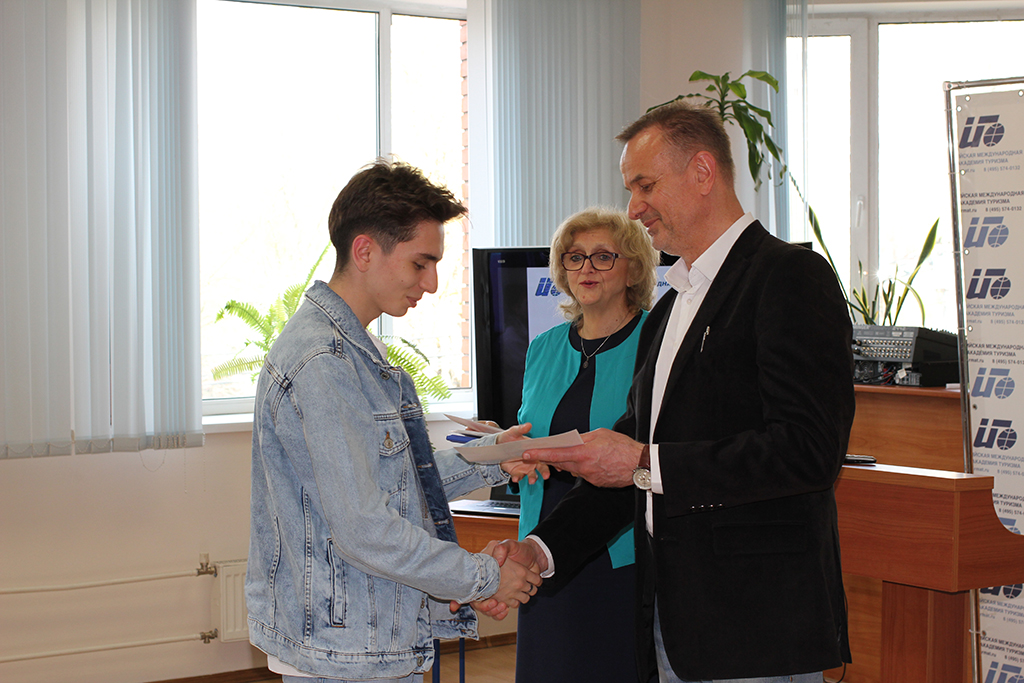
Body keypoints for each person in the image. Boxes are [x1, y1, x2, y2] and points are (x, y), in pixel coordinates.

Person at [483, 100, 856, 682]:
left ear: (702, 172)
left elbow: (808, 451)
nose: (635, 207)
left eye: (646, 185)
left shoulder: (788, 277)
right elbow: (627, 464)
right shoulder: (669, 310)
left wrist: (643, 462)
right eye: (631, 189)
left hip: (753, 628)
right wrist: (540, 549)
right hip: (669, 621)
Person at [245, 159, 544, 683]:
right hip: (345, 654)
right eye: (420, 263)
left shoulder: (353, 350)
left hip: (364, 642)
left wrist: (496, 459)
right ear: (365, 251)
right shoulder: (325, 362)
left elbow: (396, 480)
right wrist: (483, 576)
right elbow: (366, 529)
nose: (431, 283)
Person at [513, 207, 658, 683]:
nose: (586, 268)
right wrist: (506, 448)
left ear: (633, 268)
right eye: (574, 257)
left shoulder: (656, 342)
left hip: (618, 545)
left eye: (602, 256)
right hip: (544, 539)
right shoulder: (543, 346)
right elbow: (531, 431)